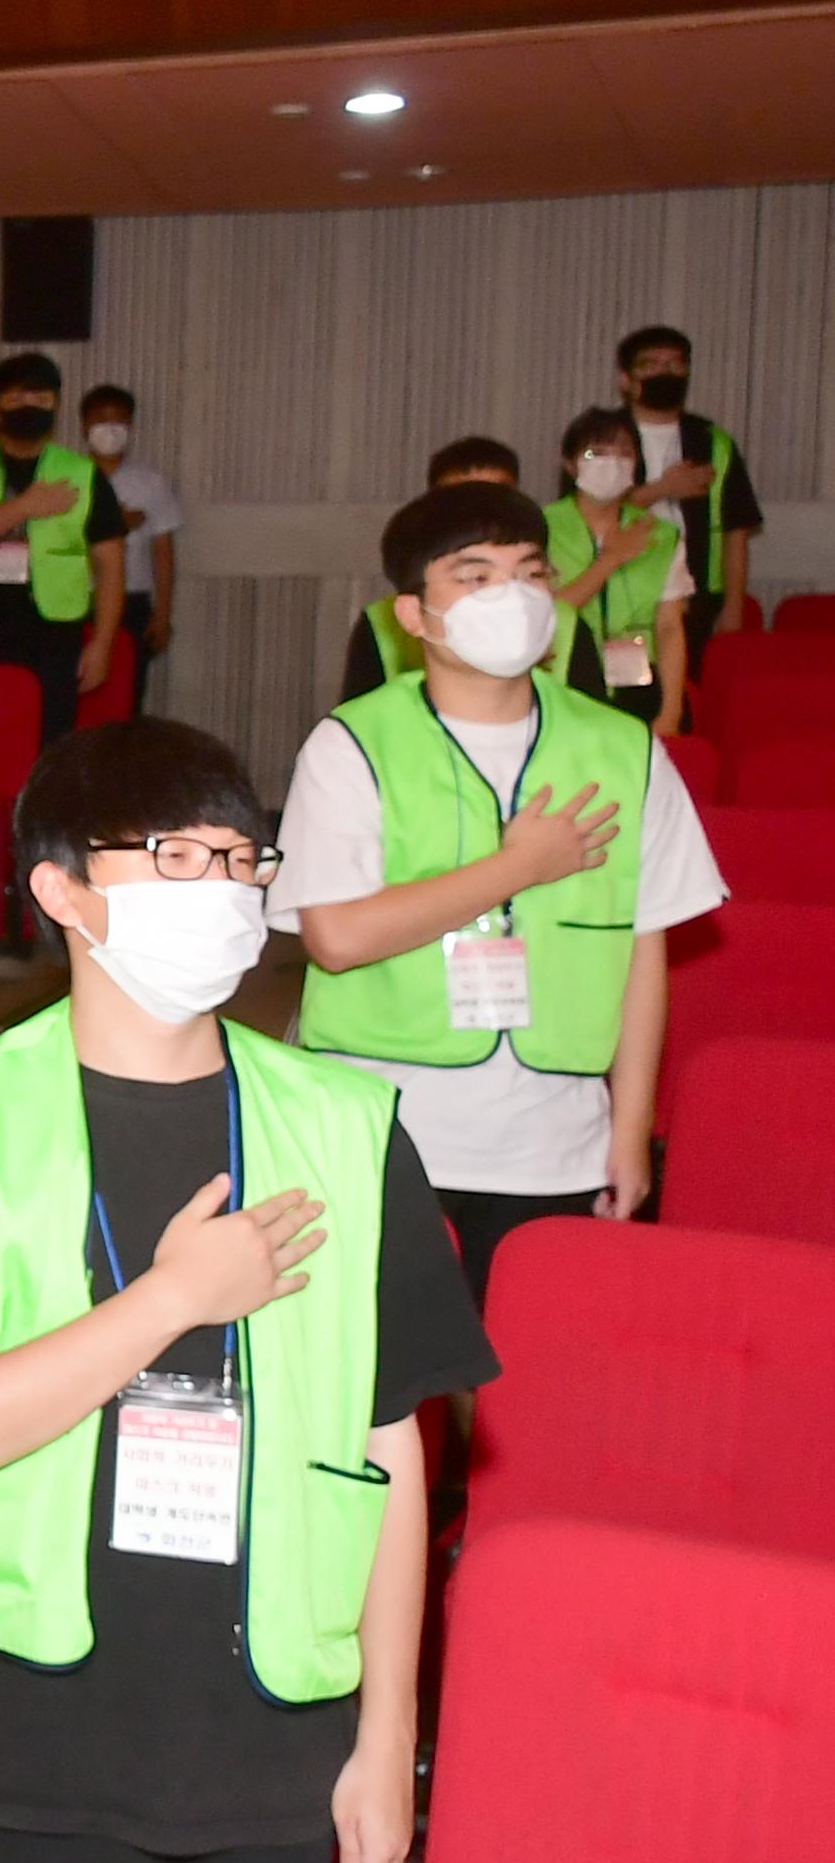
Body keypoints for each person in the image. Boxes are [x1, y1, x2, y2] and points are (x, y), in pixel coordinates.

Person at [0, 718, 495, 1863]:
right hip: (34, 1753)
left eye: (241, 858)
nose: (224, 889)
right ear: (61, 891)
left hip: (267, 1745)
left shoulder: (348, 1130)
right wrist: (170, 1301)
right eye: (178, 856)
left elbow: (394, 1450)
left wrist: (386, 1743)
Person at [272, 480, 723, 1308]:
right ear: (413, 614)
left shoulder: (623, 750)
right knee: (384, 1392)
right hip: (384, 1125)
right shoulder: (351, 744)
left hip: (554, 1138)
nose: (508, 598)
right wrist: (517, 867)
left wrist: (630, 1139)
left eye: (529, 574)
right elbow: (334, 937)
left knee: (531, 1387)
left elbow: (643, 957)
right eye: (474, 577)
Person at [0, 353, 126, 741]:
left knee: (47, 743)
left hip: (54, 635)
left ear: (56, 405)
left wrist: (102, 644)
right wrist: (23, 508)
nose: (30, 406)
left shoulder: (83, 474)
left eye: (41, 398)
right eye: (17, 398)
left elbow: (111, 565)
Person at [335, 439, 569, 699]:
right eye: (477, 578)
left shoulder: (564, 621)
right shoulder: (354, 734)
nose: (484, 516)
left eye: (532, 574)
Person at [609, 323, 762, 660]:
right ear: (626, 379)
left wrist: (733, 608)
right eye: (651, 364)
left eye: (675, 364)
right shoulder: (600, 435)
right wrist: (662, 489)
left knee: (687, 693)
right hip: (617, 588)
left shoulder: (713, 441)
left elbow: (736, 531)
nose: (666, 372)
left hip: (697, 594)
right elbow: (584, 510)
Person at [545, 409, 689, 735]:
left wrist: (671, 711)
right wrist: (611, 559)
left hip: (639, 680)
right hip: (563, 675)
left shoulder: (660, 534)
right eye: (596, 453)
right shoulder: (541, 527)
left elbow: (670, 627)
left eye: (624, 453)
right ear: (570, 464)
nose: (612, 462)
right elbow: (550, 612)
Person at [82, 385, 181, 711]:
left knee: (127, 694)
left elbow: (163, 553)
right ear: (84, 426)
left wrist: (163, 614)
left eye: (119, 421)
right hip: (76, 600)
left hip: (132, 601)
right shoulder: (67, 478)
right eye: (101, 420)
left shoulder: (151, 483)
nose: (110, 429)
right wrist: (113, 522)